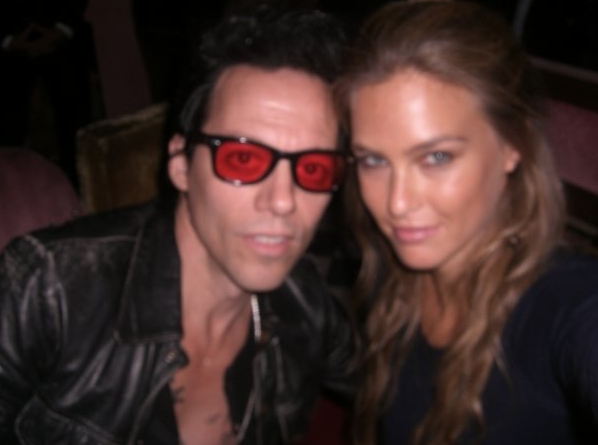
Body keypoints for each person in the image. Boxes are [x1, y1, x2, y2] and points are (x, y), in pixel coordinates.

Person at [0, 7, 355, 444]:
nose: (283, 201)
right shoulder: (49, 288)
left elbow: (399, 387)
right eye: (243, 159)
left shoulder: (307, 305)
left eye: (315, 169)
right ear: (180, 163)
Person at [335, 1, 598, 444]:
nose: (397, 204)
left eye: (437, 157)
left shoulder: (565, 305)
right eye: (374, 160)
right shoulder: (389, 274)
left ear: (513, 144)